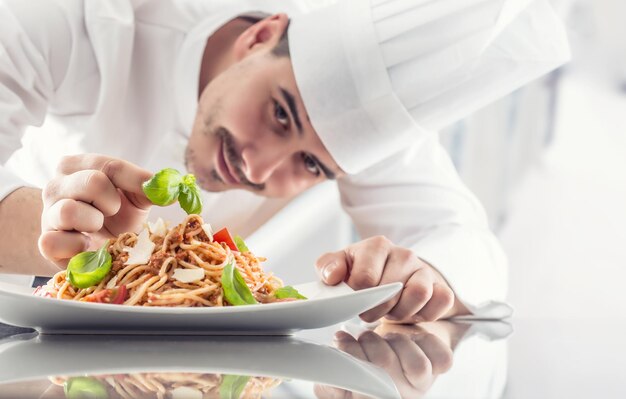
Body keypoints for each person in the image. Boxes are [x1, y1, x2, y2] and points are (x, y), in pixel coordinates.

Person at [0, 0, 569, 322]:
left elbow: (465, 244)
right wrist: (56, 230)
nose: (259, 170)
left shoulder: (361, 127)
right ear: (263, 35)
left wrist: (426, 274)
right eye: (280, 114)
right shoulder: (82, 16)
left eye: (313, 166)